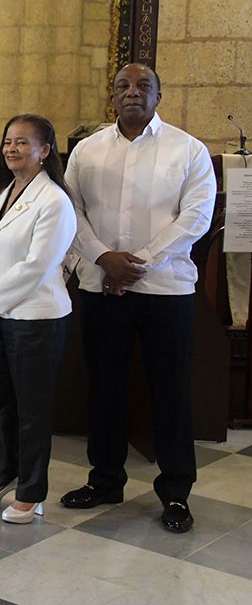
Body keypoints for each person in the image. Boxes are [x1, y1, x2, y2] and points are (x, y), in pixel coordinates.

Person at [59, 64, 216, 533]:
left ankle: (175, 492)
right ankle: (105, 479)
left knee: (170, 391)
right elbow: (72, 209)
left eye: (143, 86)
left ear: (159, 95)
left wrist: (138, 262)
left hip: (166, 290)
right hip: (102, 287)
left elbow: (197, 216)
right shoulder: (87, 150)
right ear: (112, 97)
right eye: (123, 86)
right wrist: (104, 257)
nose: (133, 92)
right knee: (104, 387)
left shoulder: (188, 150)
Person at [0, 114, 76, 523]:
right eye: (8, 141)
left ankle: (32, 491)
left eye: (22, 142)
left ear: (45, 151)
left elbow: (39, 265)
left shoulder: (54, 201)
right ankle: (2, 475)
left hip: (35, 317)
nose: (12, 148)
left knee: (32, 408)